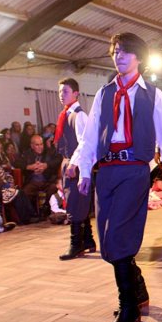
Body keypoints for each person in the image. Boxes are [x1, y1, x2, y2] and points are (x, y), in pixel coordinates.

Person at [68, 32, 162, 322]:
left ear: (139, 57)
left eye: (126, 52)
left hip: (134, 170)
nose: (119, 56)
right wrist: (85, 172)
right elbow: (90, 136)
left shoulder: (152, 95)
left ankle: (128, 305)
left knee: (119, 236)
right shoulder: (104, 93)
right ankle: (138, 288)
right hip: (106, 171)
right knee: (107, 242)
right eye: (116, 51)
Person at [54, 77, 96, 260]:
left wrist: (73, 164)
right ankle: (88, 240)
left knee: (76, 203)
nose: (61, 95)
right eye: (60, 91)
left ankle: (76, 244)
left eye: (65, 91)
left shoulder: (79, 116)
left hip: (77, 164)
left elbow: (84, 143)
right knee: (77, 203)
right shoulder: (66, 114)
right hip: (69, 161)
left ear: (76, 93)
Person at [16, 134, 61, 217]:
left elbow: (58, 159)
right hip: (33, 181)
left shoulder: (49, 152)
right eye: (37, 145)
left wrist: (46, 165)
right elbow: (17, 163)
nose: (40, 147)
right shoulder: (26, 154)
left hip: (47, 180)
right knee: (24, 193)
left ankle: (46, 209)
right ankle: (33, 214)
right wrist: (29, 167)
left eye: (41, 144)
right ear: (32, 146)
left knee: (53, 188)